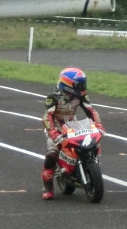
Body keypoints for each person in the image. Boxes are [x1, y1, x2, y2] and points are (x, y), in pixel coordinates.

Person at [40, 67, 104, 200]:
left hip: (72, 125)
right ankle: (48, 186)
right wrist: (53, 132)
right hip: (55, 127)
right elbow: (47, 117)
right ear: (69, 85)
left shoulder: (81, 96)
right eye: (80, 85)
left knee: (90, 144)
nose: (83, 87)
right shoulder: (53, 97)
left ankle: (87, 166)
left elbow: (91, 111)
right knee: (52, 154)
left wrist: (98, 125)